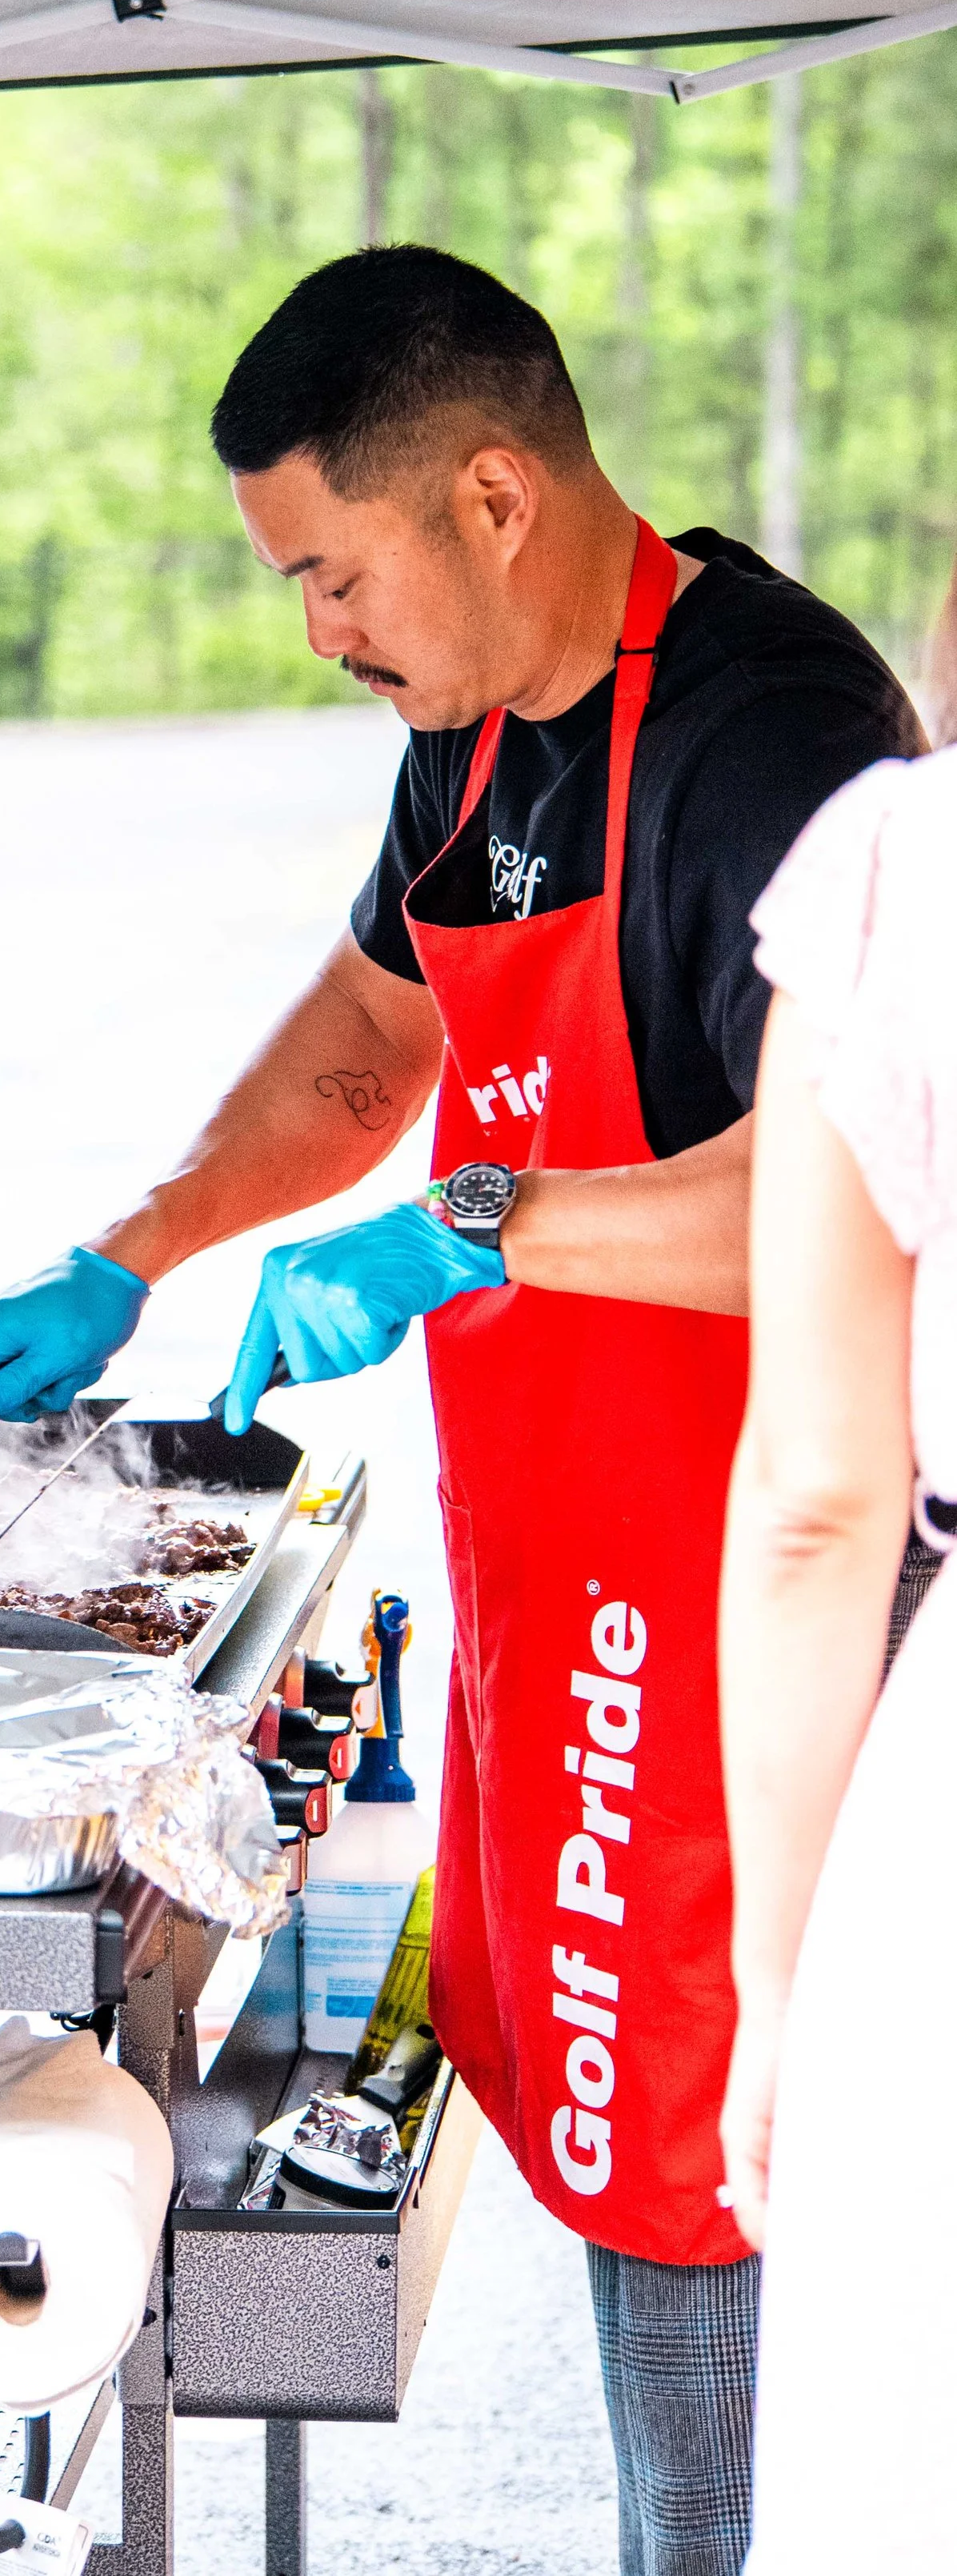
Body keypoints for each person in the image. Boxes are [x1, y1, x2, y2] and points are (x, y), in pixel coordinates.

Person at [0, 247, 920, 2576]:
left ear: (491, 493)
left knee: (728, 2176)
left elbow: (842, 1207)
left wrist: (474, 1229)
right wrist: (144, 1238)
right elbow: (363, 1046)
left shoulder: (768, 739)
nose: (316, 627)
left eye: (329, 569)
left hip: (746, 1620)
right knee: (628, 2153)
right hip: (566, 1586)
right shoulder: (470, 730)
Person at [718, 739, 957, 2571]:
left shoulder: (894, 861)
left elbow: (816, 1501)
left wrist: (771, 1988)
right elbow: (367, 1005)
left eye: (328, 574)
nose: (321, 628)